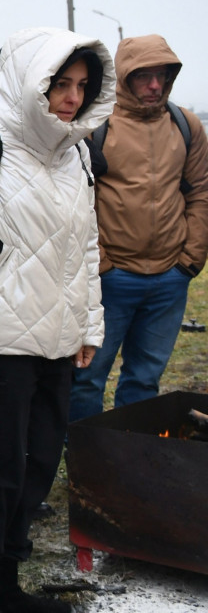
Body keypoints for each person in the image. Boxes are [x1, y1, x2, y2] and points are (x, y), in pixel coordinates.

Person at [0, 28, 114, 613]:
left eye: (81, 86)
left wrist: (89, 324)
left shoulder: (77, 155)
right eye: (59, 84)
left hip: (58, 343)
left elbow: (87, 246)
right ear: (27, 82)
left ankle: (5, 585)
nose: (71, 97)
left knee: (38, 466)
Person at [69, 35, 208, 423]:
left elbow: (200, 192)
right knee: (87, 377)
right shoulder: (96, 126)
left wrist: (190, 259)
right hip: (110, 279)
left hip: (170, 279)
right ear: (123, 77)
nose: (154, 86)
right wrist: (103, 265)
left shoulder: (186, 125)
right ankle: (82, 456)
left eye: (162, 76)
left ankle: (129, 454)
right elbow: (80, 199)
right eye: (144, 77)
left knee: (145, 379)